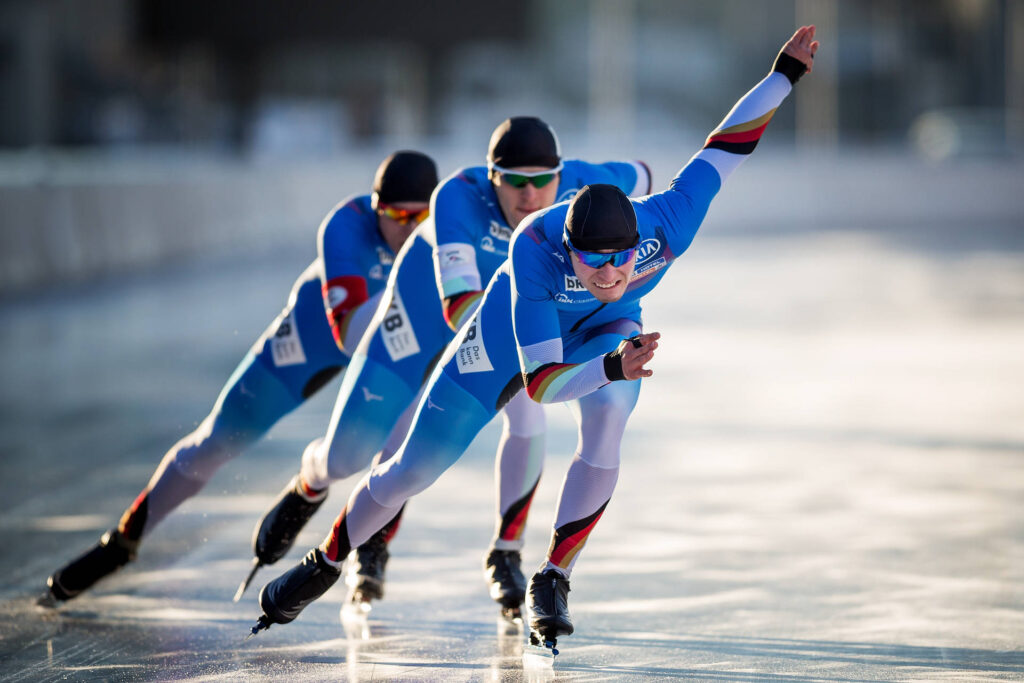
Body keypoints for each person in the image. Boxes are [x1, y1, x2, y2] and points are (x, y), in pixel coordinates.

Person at [251, 26, 819, 643]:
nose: (609, 273)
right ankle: (326, 561)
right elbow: (542, 387)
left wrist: (783, 75)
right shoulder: (535, 253)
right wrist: (610, 367)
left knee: (610, 417)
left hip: (606, 330)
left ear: (642, 243)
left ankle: (553, 575)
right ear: (568, 248)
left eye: (622, 260)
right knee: (409, 473)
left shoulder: (672, 221)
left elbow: (726, 147)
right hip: (502, 341)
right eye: (592, 261)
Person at [247, 116, 652, 613]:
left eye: (543, 181)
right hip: (428, 310)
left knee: (528, 415)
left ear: (561, 176)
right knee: (352, 454)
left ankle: (505, 554)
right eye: (515, 182)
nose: (531, 196)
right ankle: (314, 479)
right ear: (491, 178)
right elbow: (460, 309)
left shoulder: (583, 185)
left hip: (509, 313)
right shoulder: (458, 197)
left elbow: (644, 178)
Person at [43, 151, 439, 603]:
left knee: (406, 436)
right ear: (375, 209)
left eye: (420, 216)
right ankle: (125, 538)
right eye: (396, 215)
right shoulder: (345, 226)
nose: (409, 228)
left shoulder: (443, 240)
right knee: (217, 441)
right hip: (317, 335)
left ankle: (371, 546)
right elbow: (352, 337)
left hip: (392, 344)